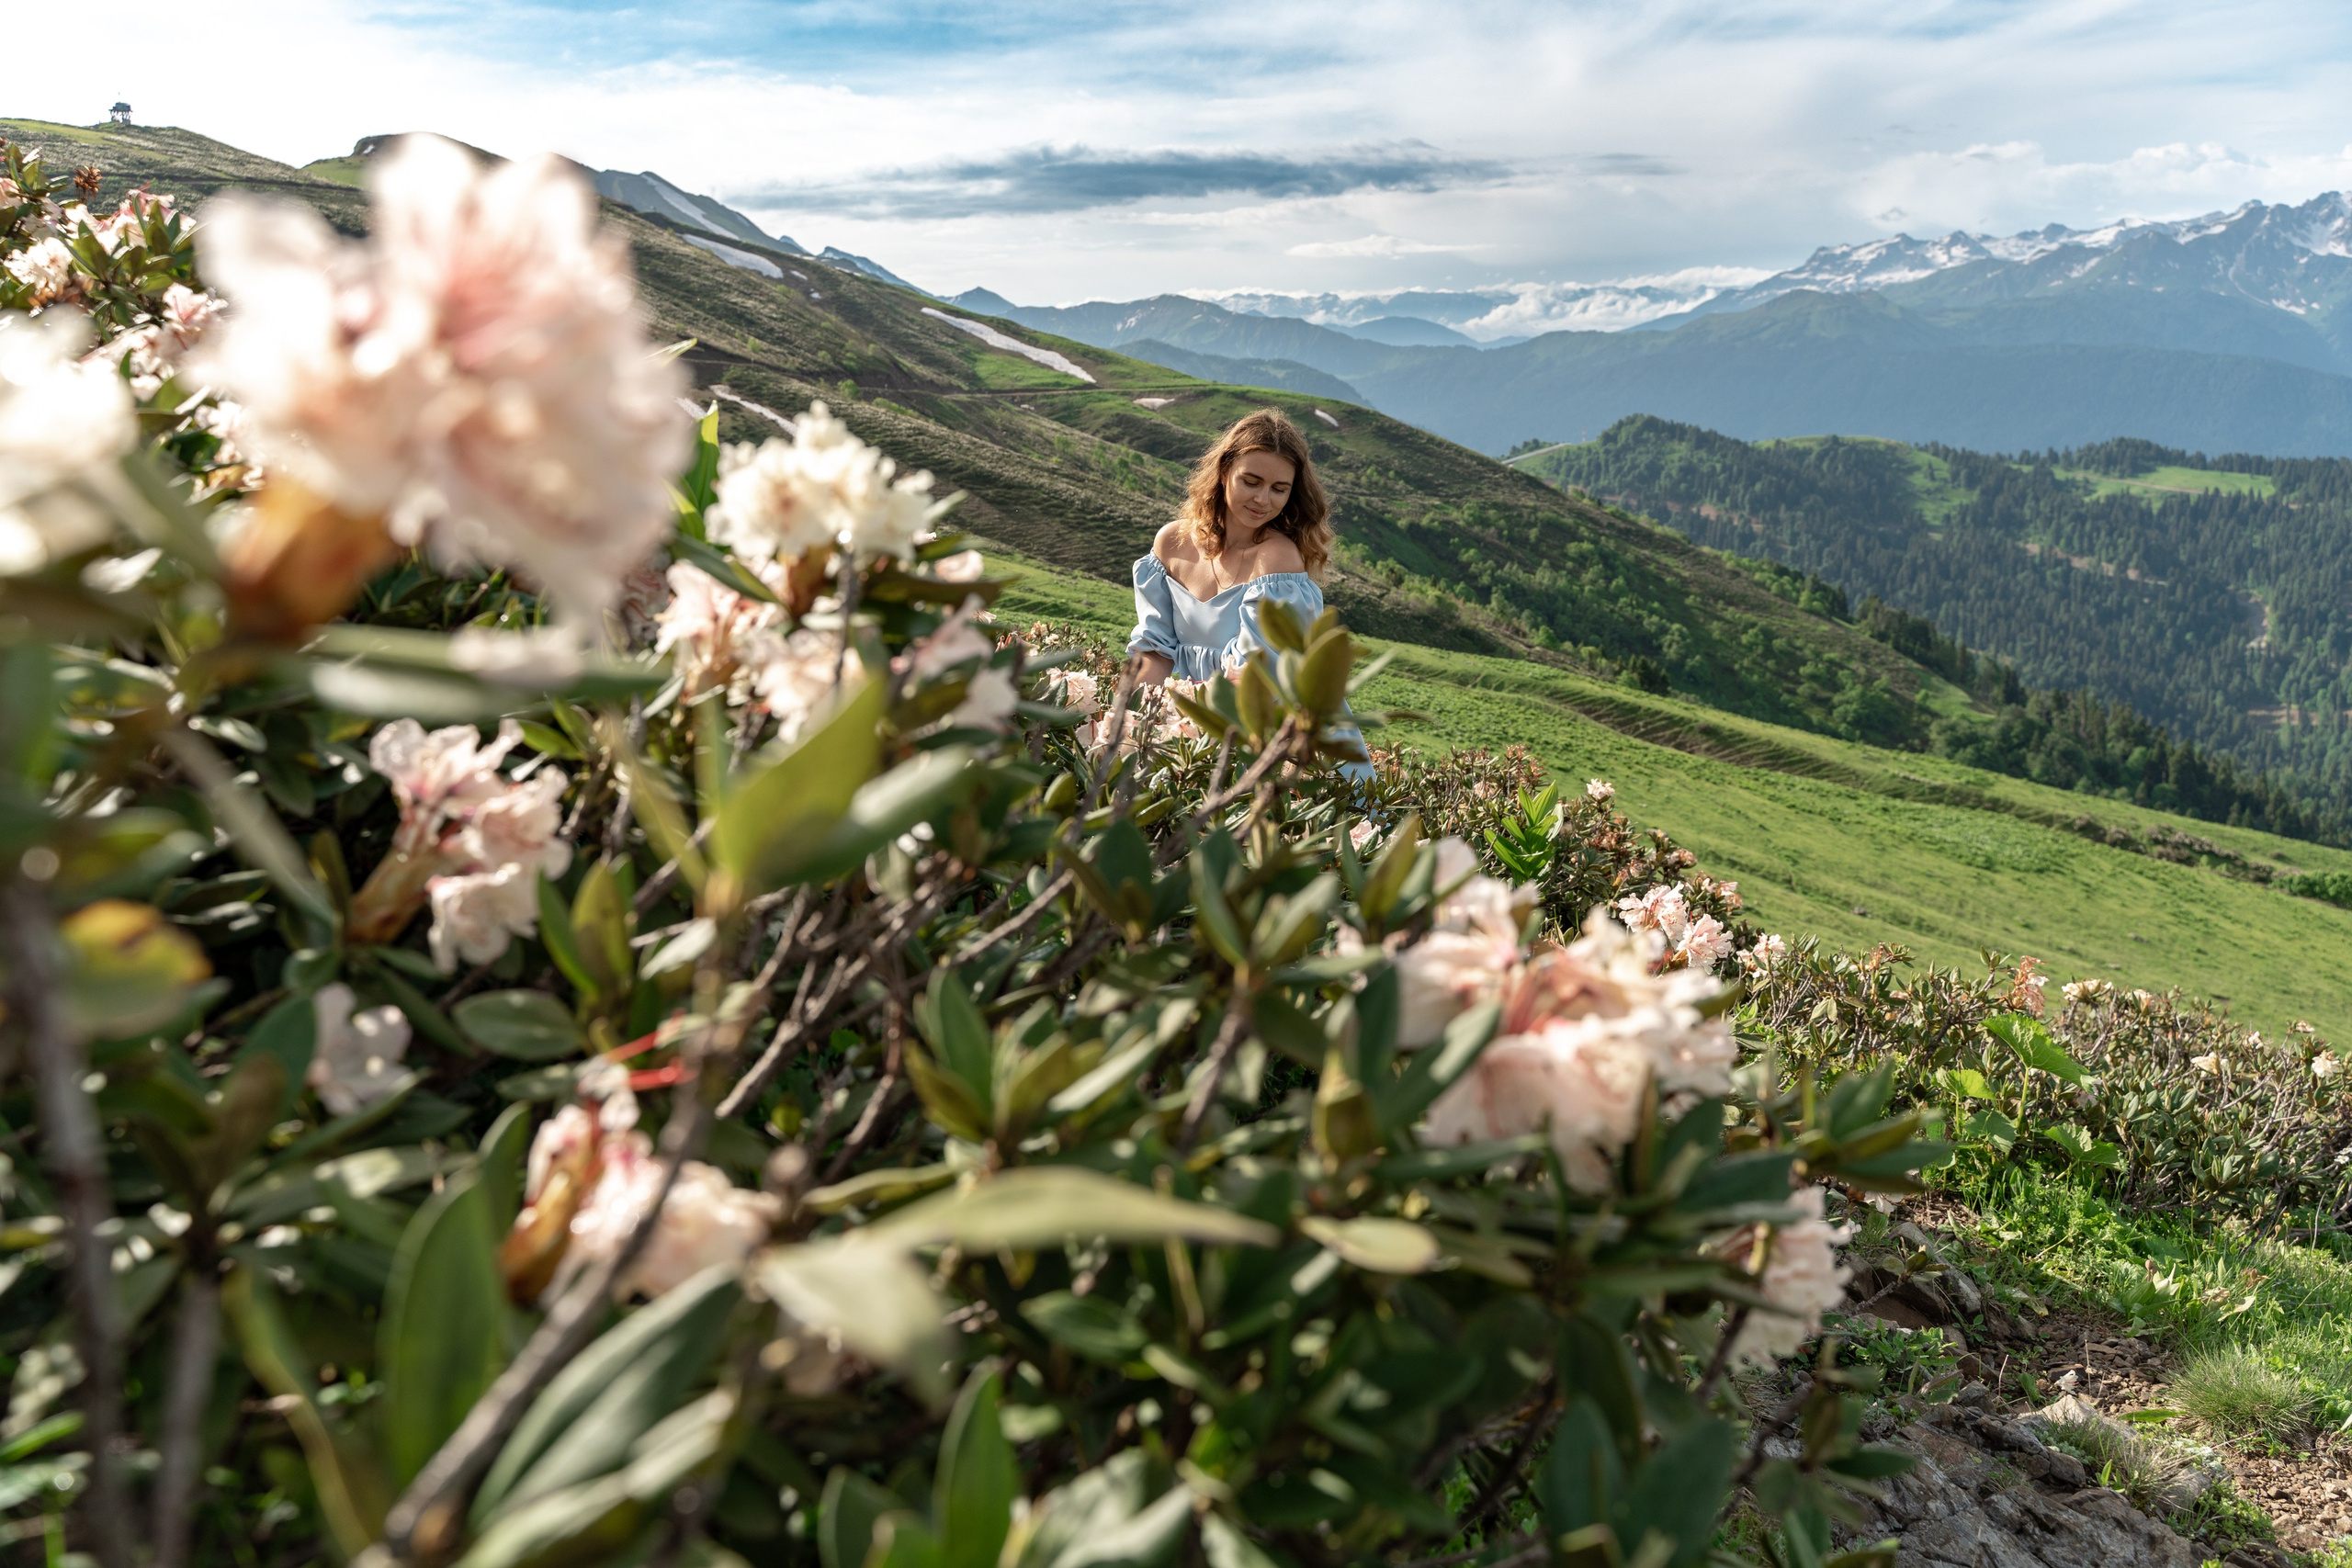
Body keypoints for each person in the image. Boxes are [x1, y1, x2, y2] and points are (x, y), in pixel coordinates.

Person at [1127, 408, 1370, 777]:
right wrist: (1131, 720)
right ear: (1224, 472)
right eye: (1251, 481)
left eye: (1279, 489)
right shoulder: (1171, 543)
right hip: (1190, 720)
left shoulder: (1278, 559)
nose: (1263, 500)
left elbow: (1252, 677)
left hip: (1268, 731)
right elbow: (1154, 651)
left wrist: (1187, 727)